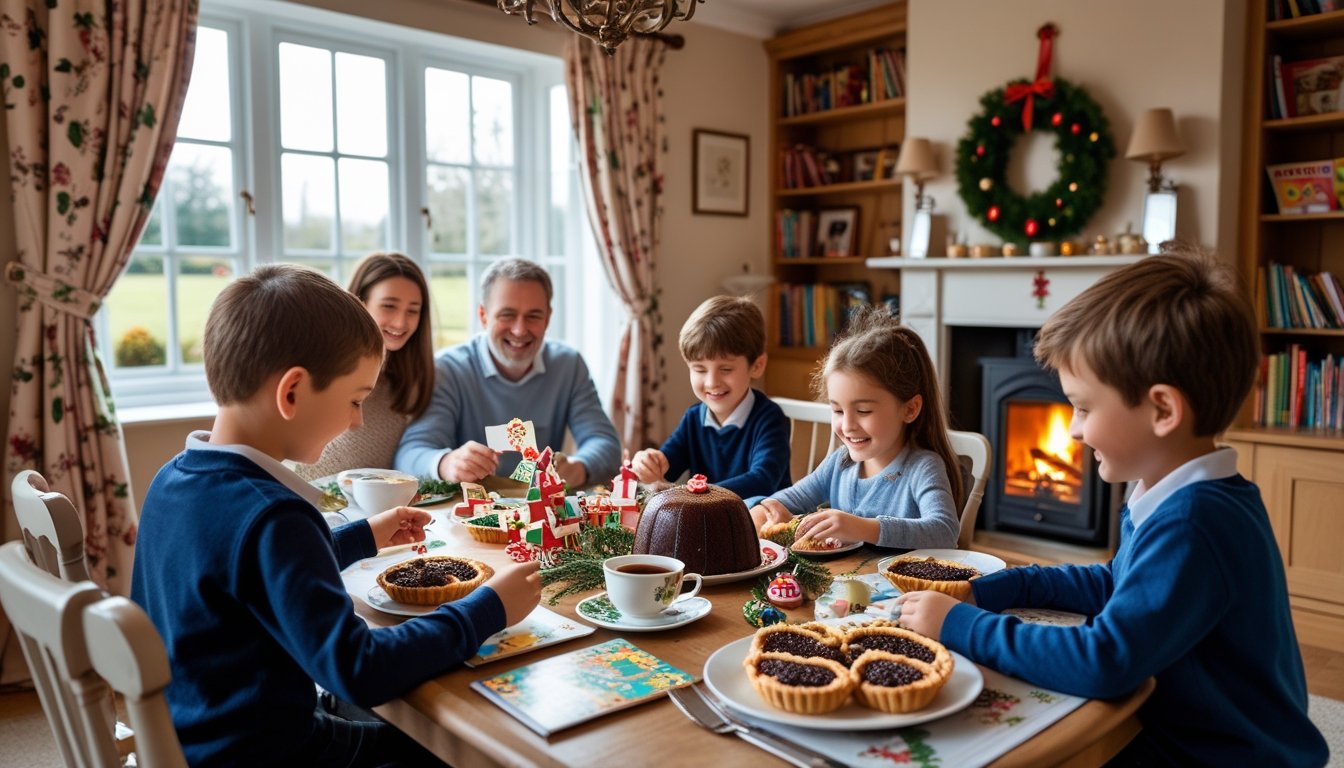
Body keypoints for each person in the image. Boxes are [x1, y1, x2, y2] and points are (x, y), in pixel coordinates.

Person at [896, 248, 1328, 766]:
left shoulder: (1195, 522)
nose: (1074, 429)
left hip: (1224, 754)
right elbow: (1117, 583)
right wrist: (999, 586)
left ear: (1162, 409)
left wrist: (960, 626)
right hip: (1186, 729)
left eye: (1083, 407)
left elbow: (1105, 661)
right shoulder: (1175, 492)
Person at [131, 264, 541, 767]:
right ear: (292, 392)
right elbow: (362, 670)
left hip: (203, 739)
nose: (358, 420)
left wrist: (357, 538)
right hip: (271, 756)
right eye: (354, 400)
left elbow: (248, 573)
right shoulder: (276, 517)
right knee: (471, 750)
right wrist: (488, 608)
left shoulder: (174, 480)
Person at [395, 258, 621, 488]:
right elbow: (409, 454)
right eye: (507, 315)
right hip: (467, 515)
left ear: (548, 318)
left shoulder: (568, 365)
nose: (519, 330)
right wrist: (445, 463)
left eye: (533, 316)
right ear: (483, 316)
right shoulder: (448, 368)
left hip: (540, 515)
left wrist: (578, 468)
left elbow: (606, 445)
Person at [750, 307, 962, 549]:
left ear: (910, 409)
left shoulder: (922, 467)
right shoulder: (840, 463)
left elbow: (945, 532)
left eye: (863, 411)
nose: (847, 426)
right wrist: (765, 511)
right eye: (838, 411)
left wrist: (862, 527)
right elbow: (790, 499)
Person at [629, 295, 790, 503]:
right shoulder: (694, 418)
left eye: (725, 369)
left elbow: (762, 480)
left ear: (757, 366)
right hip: (710, 525)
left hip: (761, 525)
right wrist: (648, 463)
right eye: (699, 369)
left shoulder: (770, 418)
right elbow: (665, 467)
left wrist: (694, 493)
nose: (712, 382)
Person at [295, 252, 433, 480]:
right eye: (389, 306)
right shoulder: (322, 367)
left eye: (412, 311)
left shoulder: (413, 383)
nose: (401, 322)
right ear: (360, 302)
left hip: (372, 509)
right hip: (311, 503)